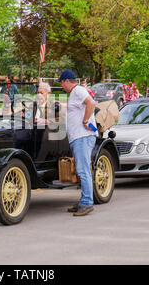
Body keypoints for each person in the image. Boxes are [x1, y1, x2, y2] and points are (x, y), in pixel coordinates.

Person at [58, 69, 97, 216]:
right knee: (82, 169)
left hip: (82, 136)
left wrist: (85, 120)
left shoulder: (78, 90)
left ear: (67, 81)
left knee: (83, 170)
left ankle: (87, 203)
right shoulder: (75, 93)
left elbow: (91, 103)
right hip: (79, 137)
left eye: (62, 83)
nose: (62, 87)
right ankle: (84, 200)